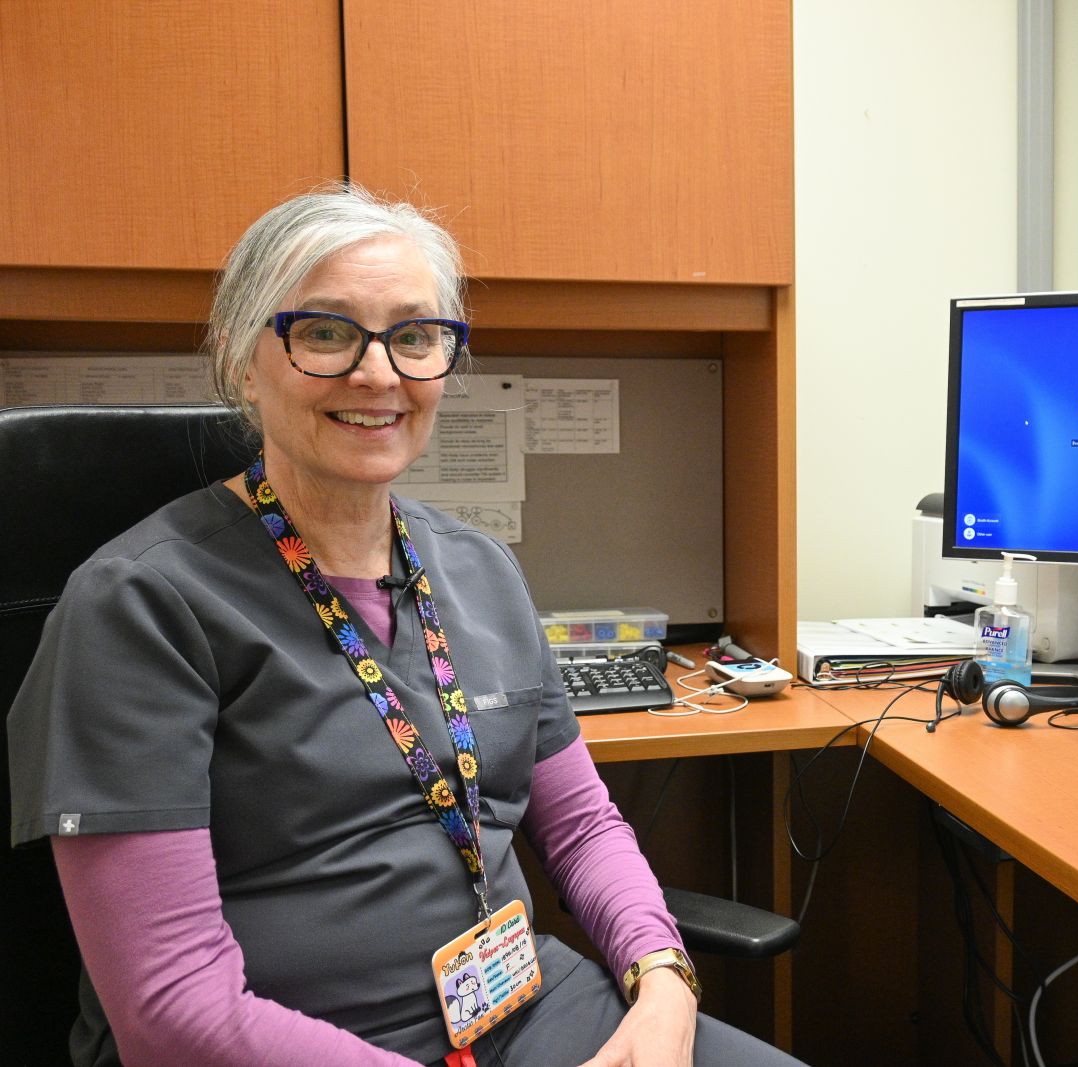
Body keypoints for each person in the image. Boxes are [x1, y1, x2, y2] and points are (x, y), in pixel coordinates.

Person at [7, 186, 804, 1067]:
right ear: (243, 359)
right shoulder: (139, 605)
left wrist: (662, 987)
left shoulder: (479, 568)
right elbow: (171, 1008)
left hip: (523, 1014)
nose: (379, 373)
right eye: (325, 331)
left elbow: (580, 827)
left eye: (415, 336)